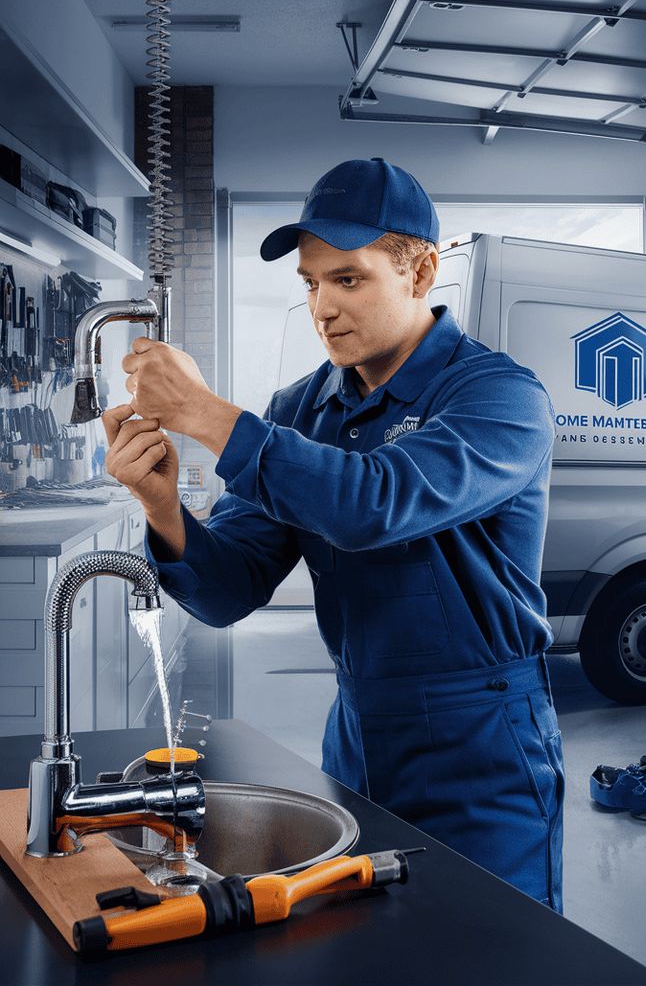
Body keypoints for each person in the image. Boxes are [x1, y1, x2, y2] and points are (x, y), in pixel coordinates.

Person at [103, 157, 564, 911]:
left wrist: (203, 412)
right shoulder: (298, 410)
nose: (323, 306)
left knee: (493, 947)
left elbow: (372, 505)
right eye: (310, 284)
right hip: (354, 735)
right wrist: (162, 509)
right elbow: (229, 591)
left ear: (420, 271)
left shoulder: (498, 397)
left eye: (347, 280)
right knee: (364, 947)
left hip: (483, 745)